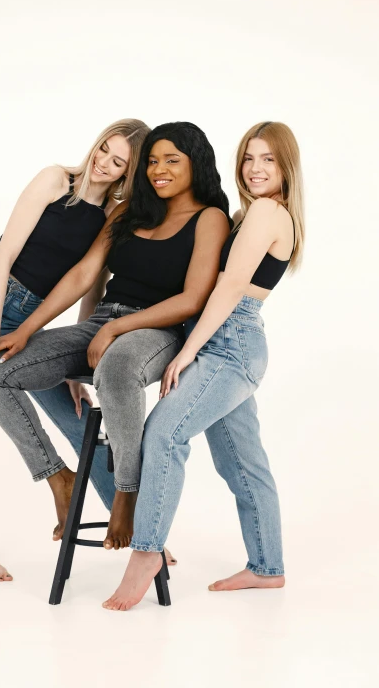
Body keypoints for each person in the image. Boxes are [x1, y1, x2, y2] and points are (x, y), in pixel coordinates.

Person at [0, 121, 232, 554]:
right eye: (151, 161)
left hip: (156, 330)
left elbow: (192, 299)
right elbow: (84, 274)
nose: (158, 169)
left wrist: (115, 328)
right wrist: (24, 331)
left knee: (118, 367)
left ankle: (126, 492)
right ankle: (58, 477)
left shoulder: (210, 218)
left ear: (196, 164)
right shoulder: (128, 211)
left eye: (171, 160)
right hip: (102, 324)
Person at [0, 118, 150, 582]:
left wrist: (72, 369)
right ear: (96, 143)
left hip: (29, 324)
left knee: (77, 418)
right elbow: (5, 256)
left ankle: (139, 533)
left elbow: (89, 284)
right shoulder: (57, 179)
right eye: (104, 149)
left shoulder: (111, 215)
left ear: (127, 175)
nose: (104, 163)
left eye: (118, 162)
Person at [103, 121, 305, 611]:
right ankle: (267, 567)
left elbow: (230, 287)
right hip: (229, 339)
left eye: (268, 160)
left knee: (164, 434)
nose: (256, 169)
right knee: (242, 460)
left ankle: (146, 553)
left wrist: (188, 351)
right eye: (249, 159)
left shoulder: (264, 213)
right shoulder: (252, 214)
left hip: (228, 344)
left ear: (286, 167)